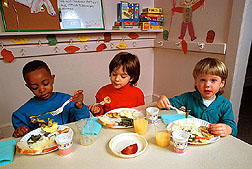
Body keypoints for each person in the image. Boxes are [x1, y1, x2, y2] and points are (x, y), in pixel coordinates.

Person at [157, 57, 237, 137]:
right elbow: (169, 105)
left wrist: (227, 129)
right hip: (189, 137)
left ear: (222, 83)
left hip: (212, 141)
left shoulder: (225, 104)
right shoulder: (188, 97)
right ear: (196, 82)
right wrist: (162, 100)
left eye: (213, 80)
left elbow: (233, 128)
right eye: (203, 80)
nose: (207, 85)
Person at [12, 60, 90, 138]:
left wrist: (79, 106)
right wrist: (20, 131)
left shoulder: (66, 100)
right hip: (42, 146)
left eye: (45, 83)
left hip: (66, 141)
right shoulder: (24, 112)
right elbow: (22, 136)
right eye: (35, 87)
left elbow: (83, 121)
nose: (42, 90)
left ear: (52, 79)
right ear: (29, 87)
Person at [88, 52, 145, 116]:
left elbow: (140, 114)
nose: (117, 79)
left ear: (132, 78)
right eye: (114, 74)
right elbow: (101, 115)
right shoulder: (102, 92)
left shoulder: (137, 94)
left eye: (123, 76)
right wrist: (97, 111)